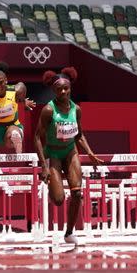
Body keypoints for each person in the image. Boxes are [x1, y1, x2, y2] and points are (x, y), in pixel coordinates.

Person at [34, 67, 103, 245]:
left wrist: (90, 152)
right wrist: (43, 166)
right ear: (53, 90)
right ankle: (53, 186)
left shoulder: (76, 109)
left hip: (71, 151)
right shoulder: (48, 110)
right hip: (54, 154)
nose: (63, 91)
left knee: (78, 193)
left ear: (70, 87)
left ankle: (69, 232)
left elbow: (79, 135)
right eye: (59, 89)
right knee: (58, 200)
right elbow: (36, 138)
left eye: (66, 88)